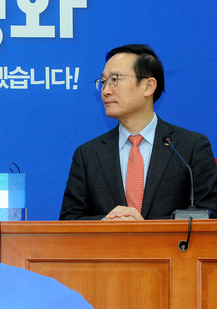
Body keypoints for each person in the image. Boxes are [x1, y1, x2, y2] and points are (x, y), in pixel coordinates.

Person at [60, 44, 217, 220]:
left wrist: (146, 228)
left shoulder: (190, 147)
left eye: (115, 80)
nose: (106, 91)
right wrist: (107, 223)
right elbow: (69, 219)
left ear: (149, 86)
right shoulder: (88, 154)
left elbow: (210, 214)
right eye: (103, 82)